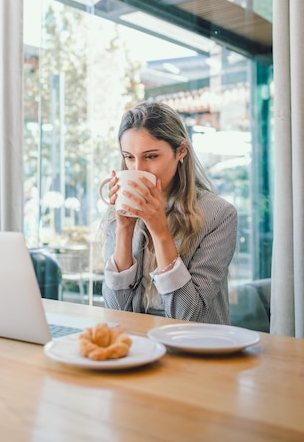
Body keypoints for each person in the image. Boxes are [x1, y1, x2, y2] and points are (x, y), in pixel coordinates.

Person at [101, 100, 237, 324]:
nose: (138, 169)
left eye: (151, 156)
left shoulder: (219, 215)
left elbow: (188, 316)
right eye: (129, 157)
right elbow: (115, 312)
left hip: (196, 350)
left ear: (181, 151)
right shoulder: (120, 211)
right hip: (138, 346)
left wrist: (159, 230)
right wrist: (124, 230)